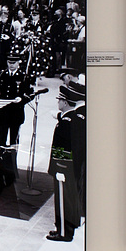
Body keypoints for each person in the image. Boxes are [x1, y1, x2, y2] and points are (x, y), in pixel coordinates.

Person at [46, 80, 86, 242]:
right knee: (71, 198)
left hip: (64, 167)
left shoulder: (66, 123)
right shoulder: (75, 119)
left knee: (63, 200)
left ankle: (63, 232)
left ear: (65, 102)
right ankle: (69, 226)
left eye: (59, 100)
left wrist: (59, 169)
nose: (58, 102)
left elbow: (61, 148)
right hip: (73, 167)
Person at [0, 54, 32, 148]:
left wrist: (22, 99)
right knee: (1, 139)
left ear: (18, 63)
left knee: (13, 141)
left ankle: (12, 161)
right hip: (3, 112)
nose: (11, 65)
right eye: (9, 63)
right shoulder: (2, 75)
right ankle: (0, 160)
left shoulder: (23, 77)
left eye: (14, 63)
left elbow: (30, 94)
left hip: (16, 112)